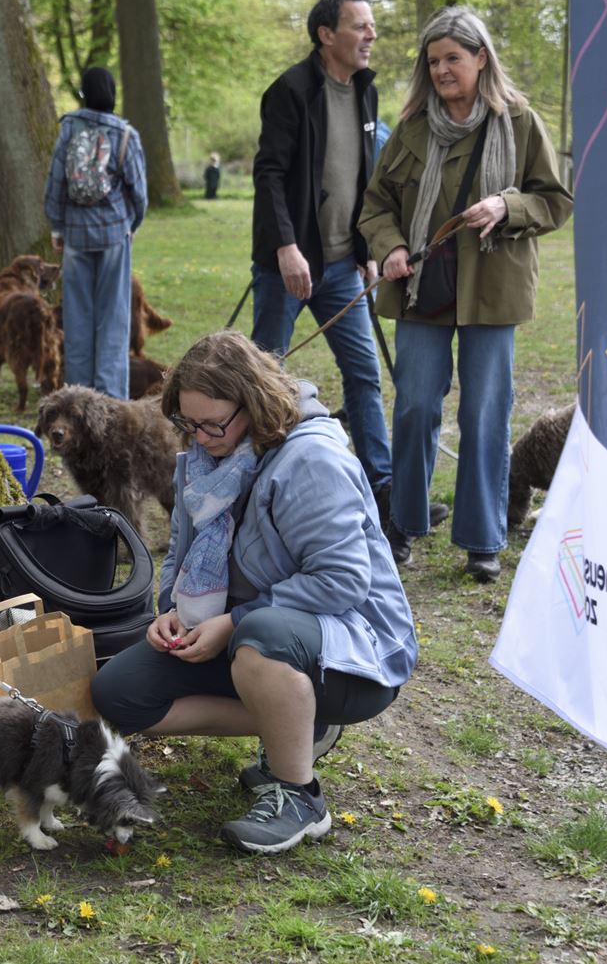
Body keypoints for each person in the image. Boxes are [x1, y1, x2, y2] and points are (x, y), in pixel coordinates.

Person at [91, 331, 417, 855]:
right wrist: (171, 610)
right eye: (187, 423)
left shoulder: (310, 461)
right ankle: (299, 723)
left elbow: (342, 580)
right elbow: (181, 551)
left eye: (212, 424)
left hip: (355, 652)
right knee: (118, 693)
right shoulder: (203, 459)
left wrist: (234, 621)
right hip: (251, 638)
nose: (199, 437)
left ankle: (299, 797)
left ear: (254, 403)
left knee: (261, 634)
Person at [358, 6, 571, 583]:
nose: (442, 70)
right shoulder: (412, 127)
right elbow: (375, 205)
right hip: (422, 288)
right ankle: (403, 523)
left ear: (481, 58)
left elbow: (555, 200)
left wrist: (508, 205)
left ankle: (482, 538)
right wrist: (391, 246)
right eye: (433, 61)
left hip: (493, 288)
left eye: (453, 58)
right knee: (415, 406)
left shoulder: (520, 121)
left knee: (483, 412)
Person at [250, 0, 400, 519]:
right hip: (287, 266)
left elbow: (363, 179)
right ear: (326, 35)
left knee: (364, 375)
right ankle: (254, 484)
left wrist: (366, 249)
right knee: (262, 377)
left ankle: (382, 489)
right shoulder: (290, 91)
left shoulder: (365, 90)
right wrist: (286, 247)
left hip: (342, 268)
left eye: (371, 26)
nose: (371, 35)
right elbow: (269, 174)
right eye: (360, 26)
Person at [44, 66, 147, 399]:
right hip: (114, 235)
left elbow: (56, 182)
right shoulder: (125, 134)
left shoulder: (69, 128)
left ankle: (77, 397)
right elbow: (139, 191)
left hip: (75, 235)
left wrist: (57, 226)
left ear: (84, 94)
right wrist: (132, 225)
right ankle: (110, 400)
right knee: (113, 318)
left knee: (77, 319)